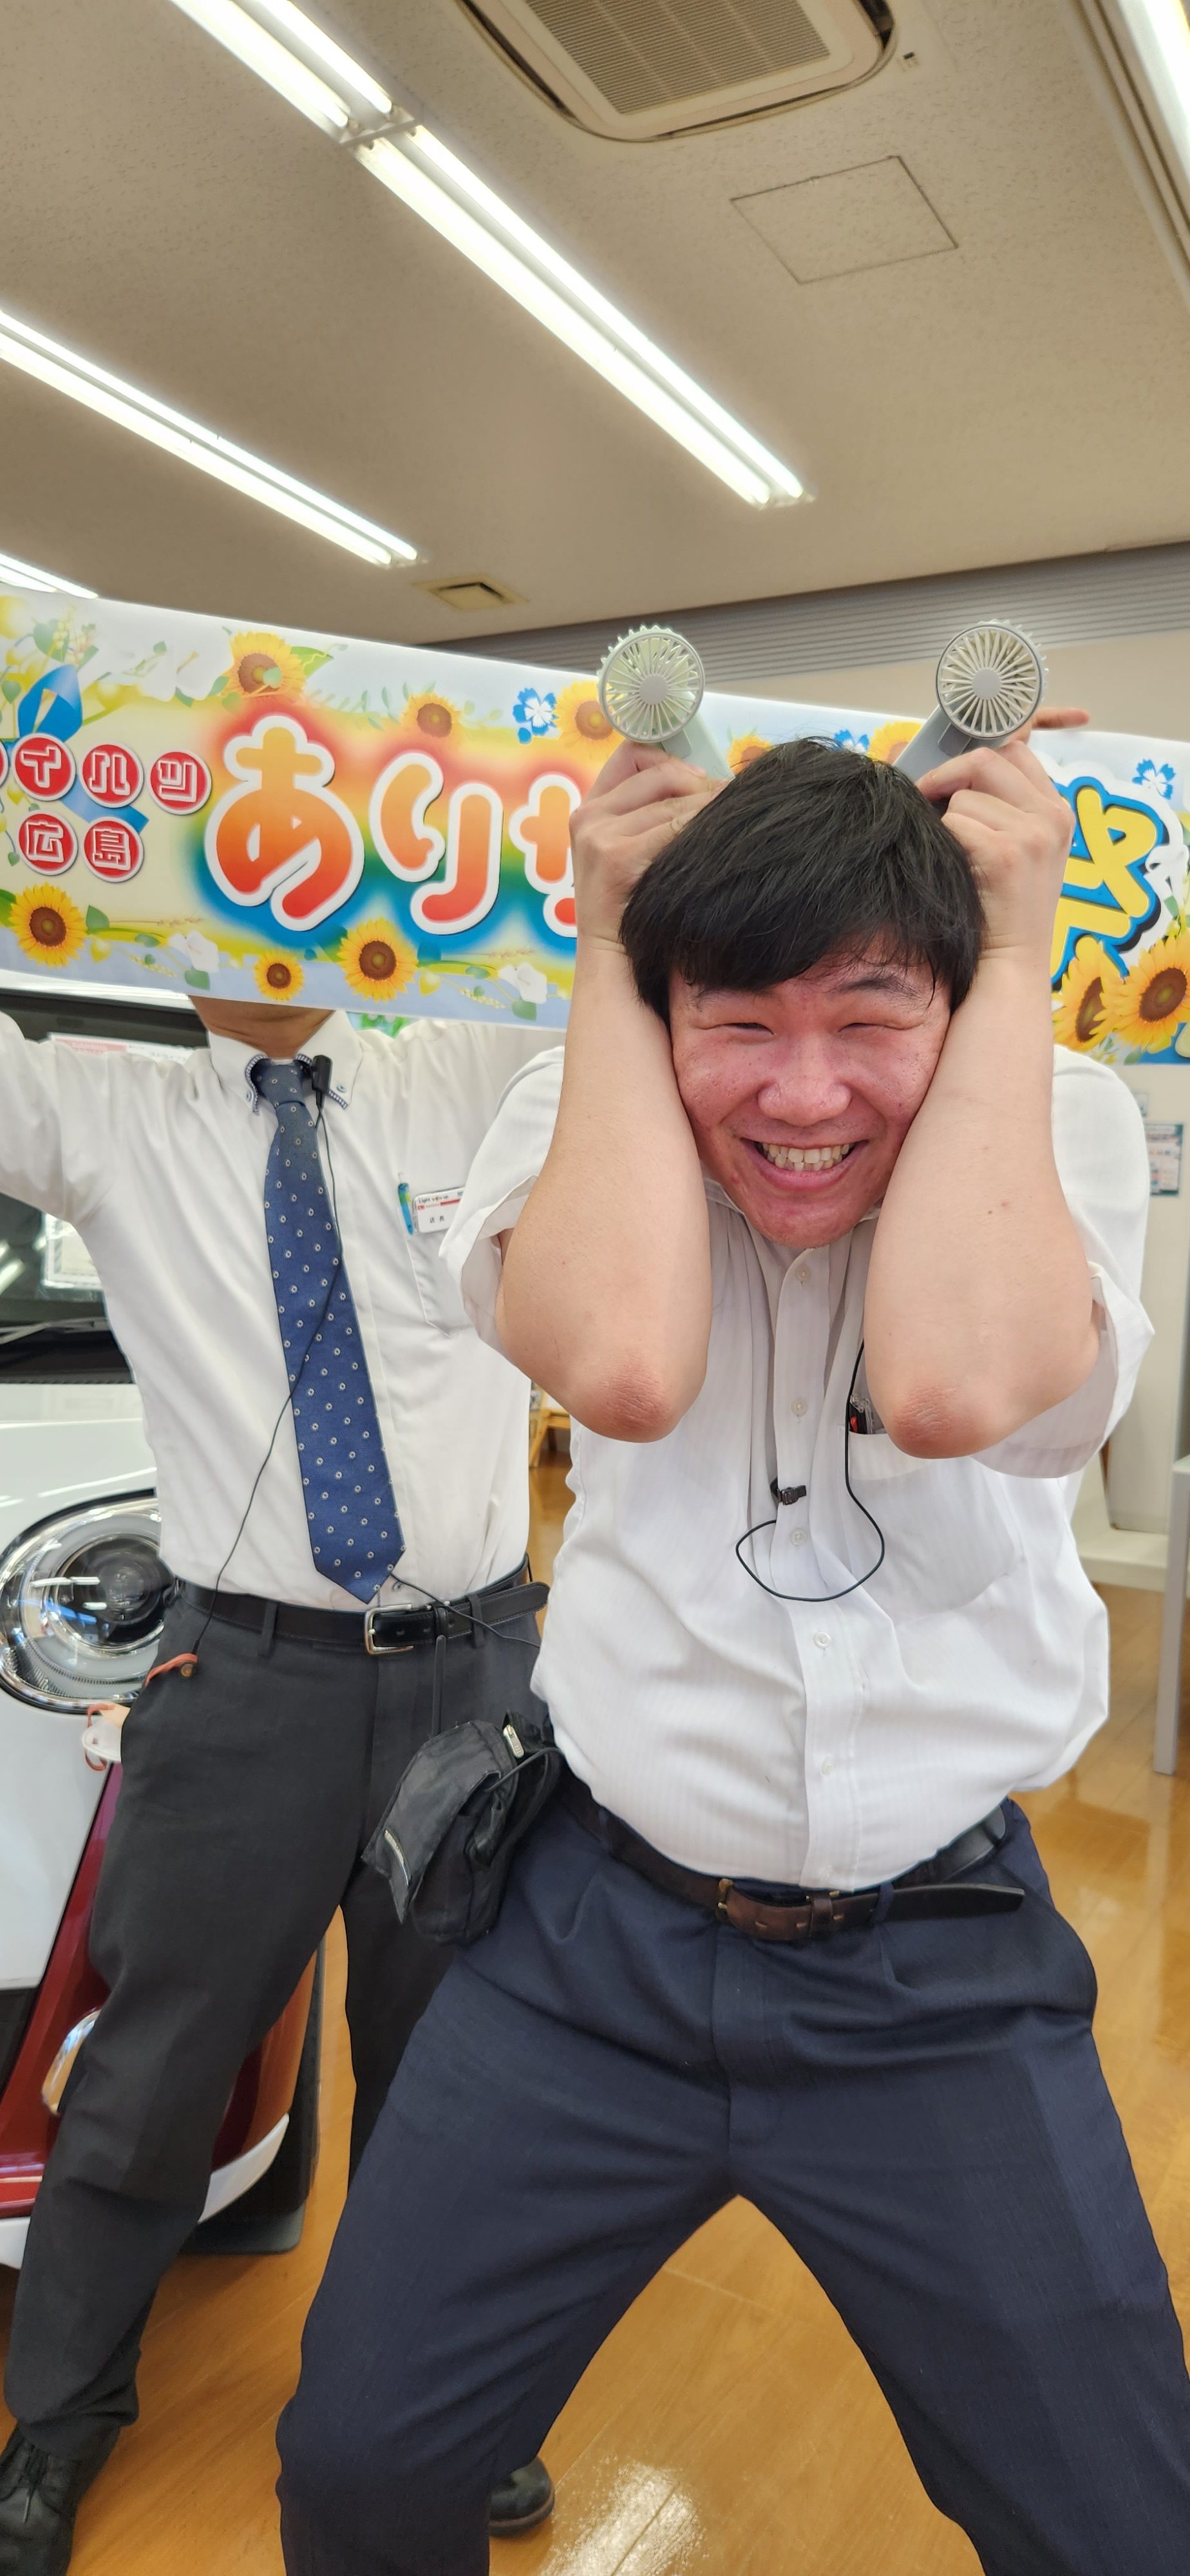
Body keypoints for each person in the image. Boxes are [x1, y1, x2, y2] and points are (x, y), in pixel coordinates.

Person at [276, 728, 1190, 2576]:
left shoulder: (1062, 1117)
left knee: (1121, 2522)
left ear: (961, 1005)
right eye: (740, 1018)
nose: (804, 1090)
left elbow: (954, 1388)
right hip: (589, 1943)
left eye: (873, 1013)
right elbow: (624, 1365)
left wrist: (1016, 954)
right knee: (360, 2466)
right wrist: (612, 945)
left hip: (935, 1967)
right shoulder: (579, 1111)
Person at [0, 991, 560, 2575]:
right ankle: (61, 2413)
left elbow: (638, 987)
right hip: (245, 1682)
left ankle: (436, 2399)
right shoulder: (115, 1108)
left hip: (472, 1669)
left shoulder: (483, 1060)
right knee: (151, 2068)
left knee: (453, 2072)